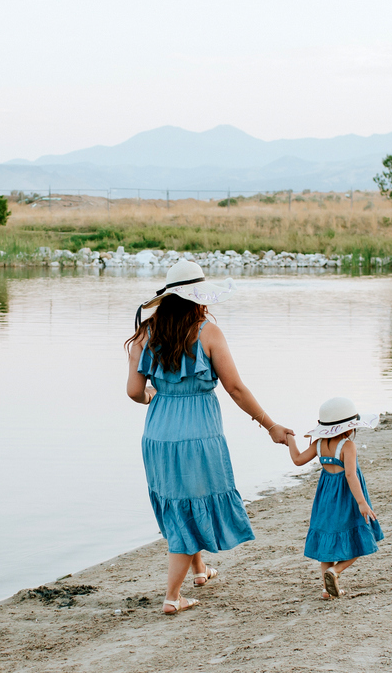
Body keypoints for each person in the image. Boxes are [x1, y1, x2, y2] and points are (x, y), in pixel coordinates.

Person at [126, 261, 294, 615]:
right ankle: (173, 596)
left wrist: (157, 398)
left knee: (179, 499)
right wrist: (270, 425)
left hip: (157, 433)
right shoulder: (208, 332)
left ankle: (200, 571)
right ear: (198, 297)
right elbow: (234, 387)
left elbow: (133, 392)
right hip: (198, 432)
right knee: (194, 497)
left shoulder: (145, 334)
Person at [285, 397, 384, 599]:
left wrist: (290, 440)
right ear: (349, 427)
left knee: (326, 544)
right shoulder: (348, 446)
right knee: (362, 537)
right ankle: (335, 571)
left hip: (325, 498)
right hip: (347, 498)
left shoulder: (319, 444)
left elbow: (297, 460)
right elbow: (350, 475)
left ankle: (326, 590)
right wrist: (362, 503)